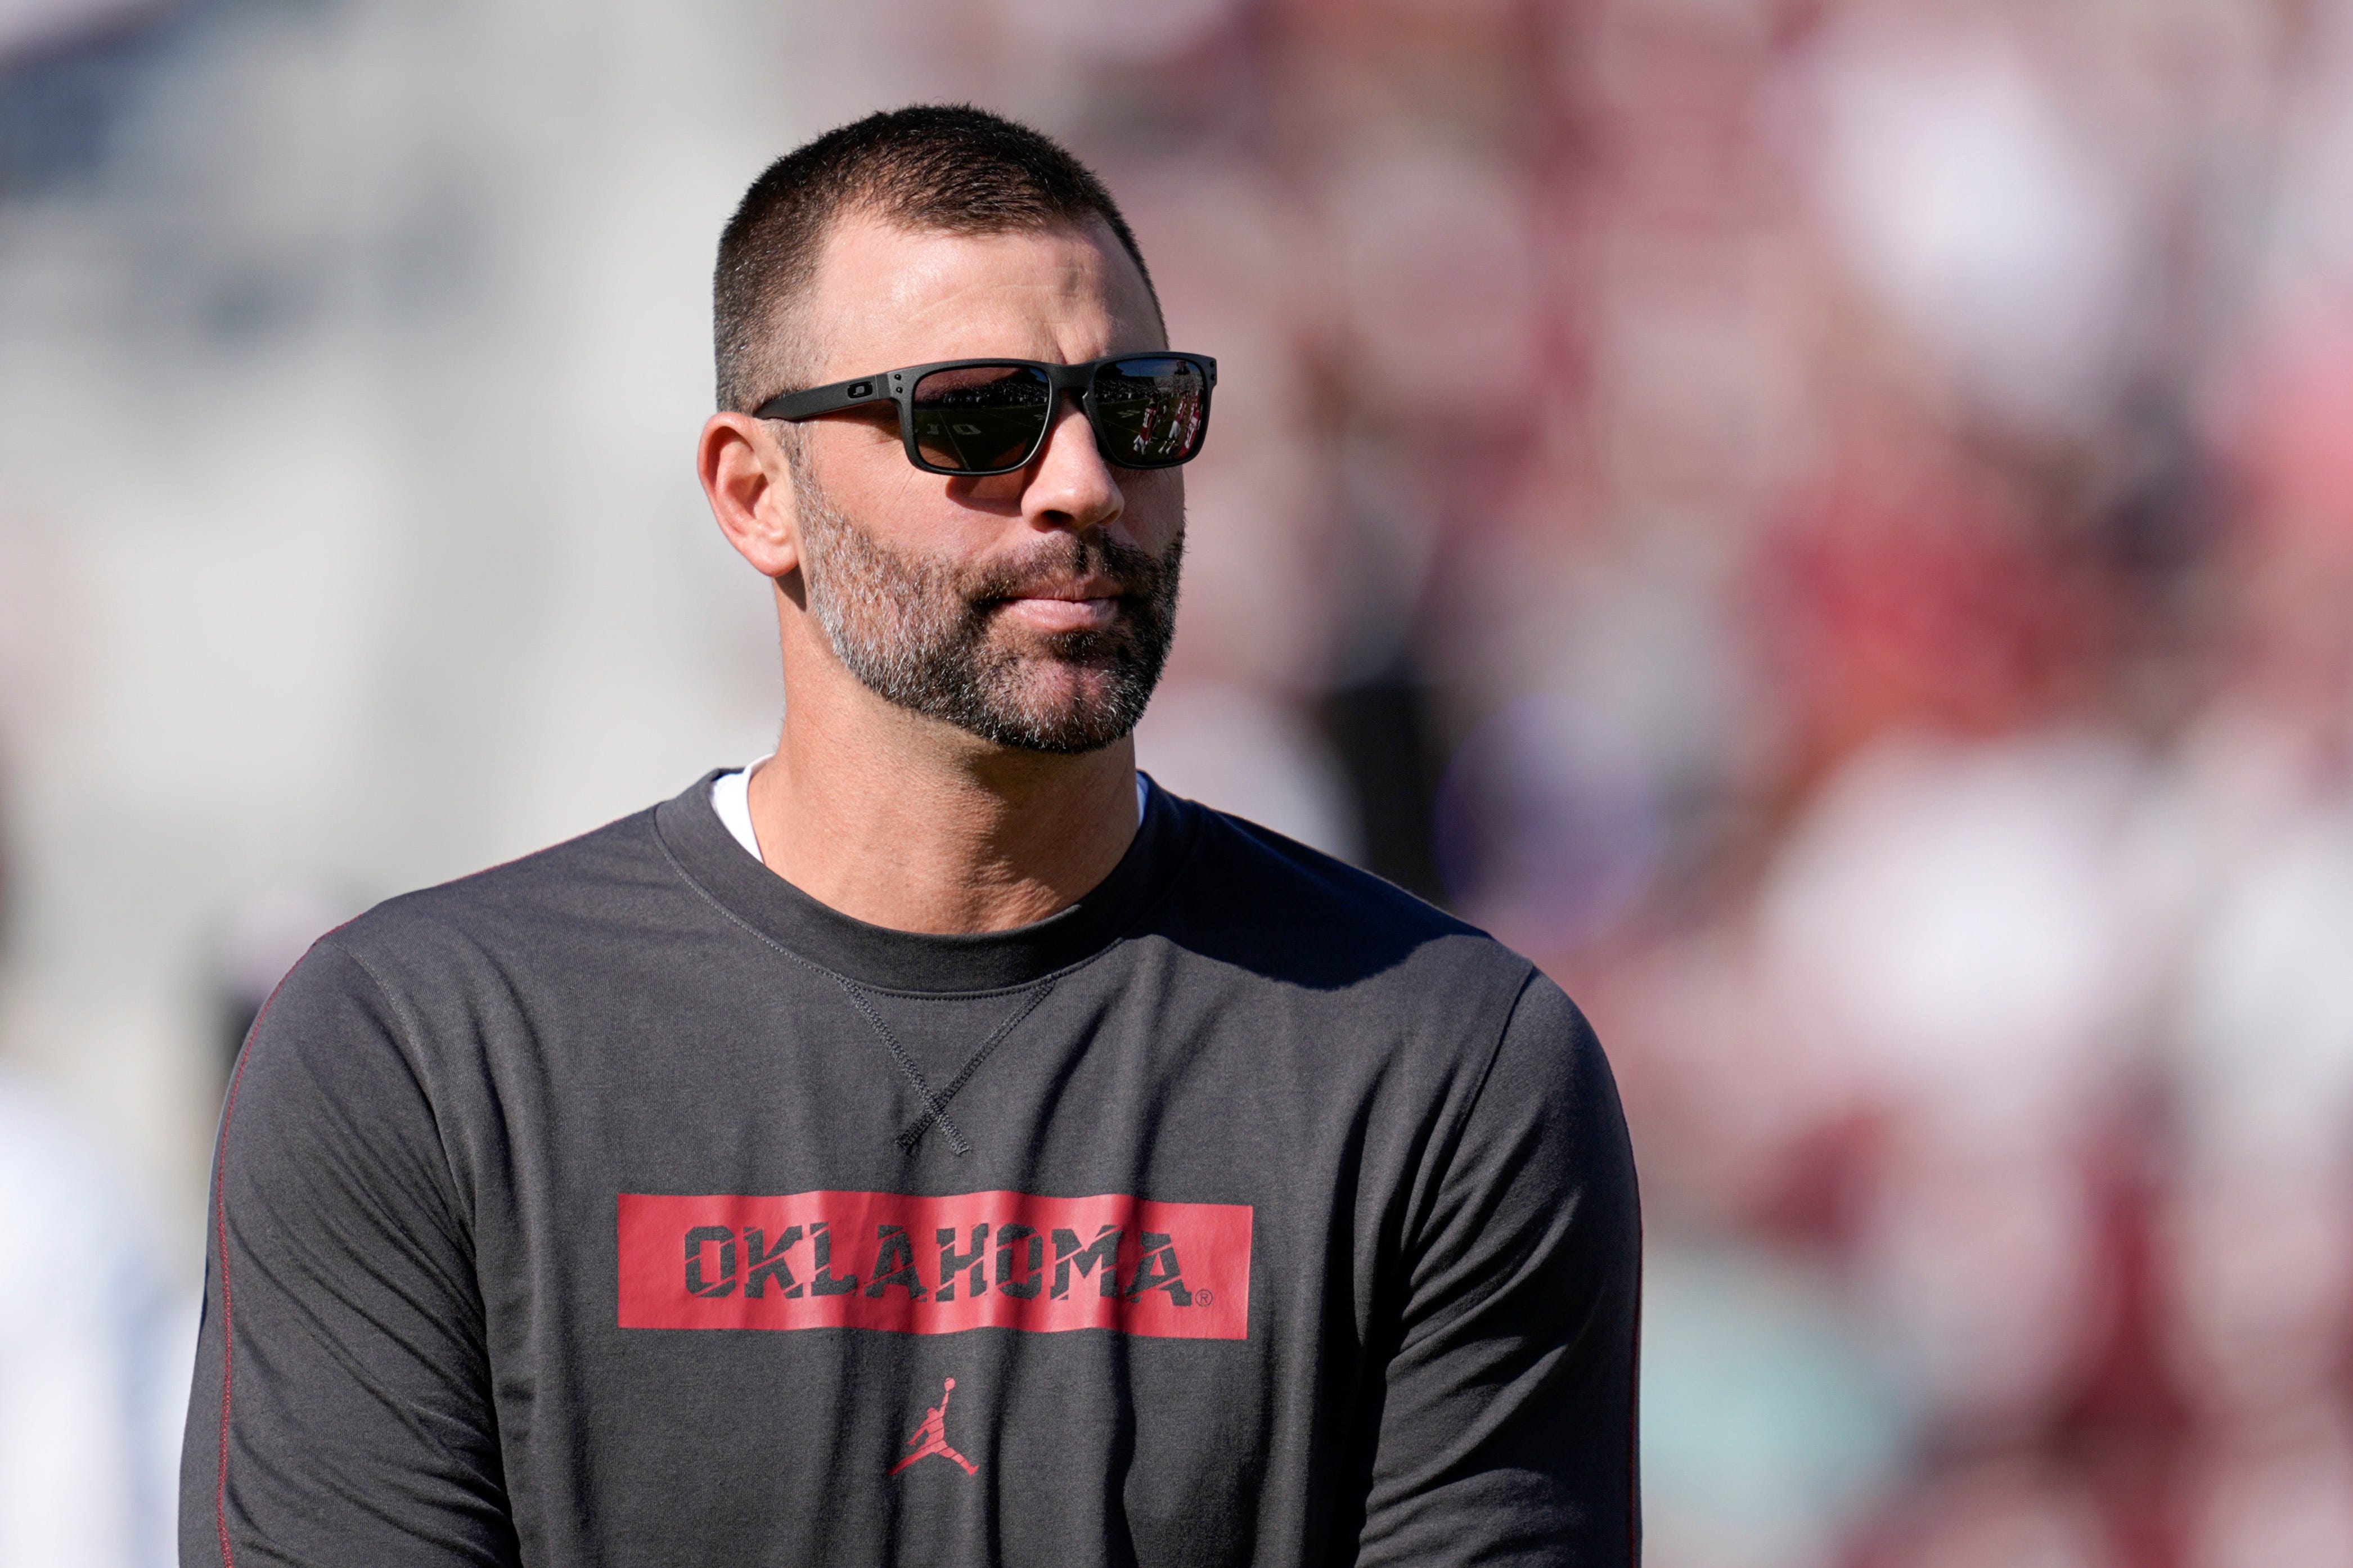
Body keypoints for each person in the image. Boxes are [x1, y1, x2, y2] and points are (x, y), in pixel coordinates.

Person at [179, 105, 1641, 1567]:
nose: (1080, 484)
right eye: (982, 416)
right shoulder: (421, 1055)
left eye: (1137, 409)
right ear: (761, 497)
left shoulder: (1440, 1064)